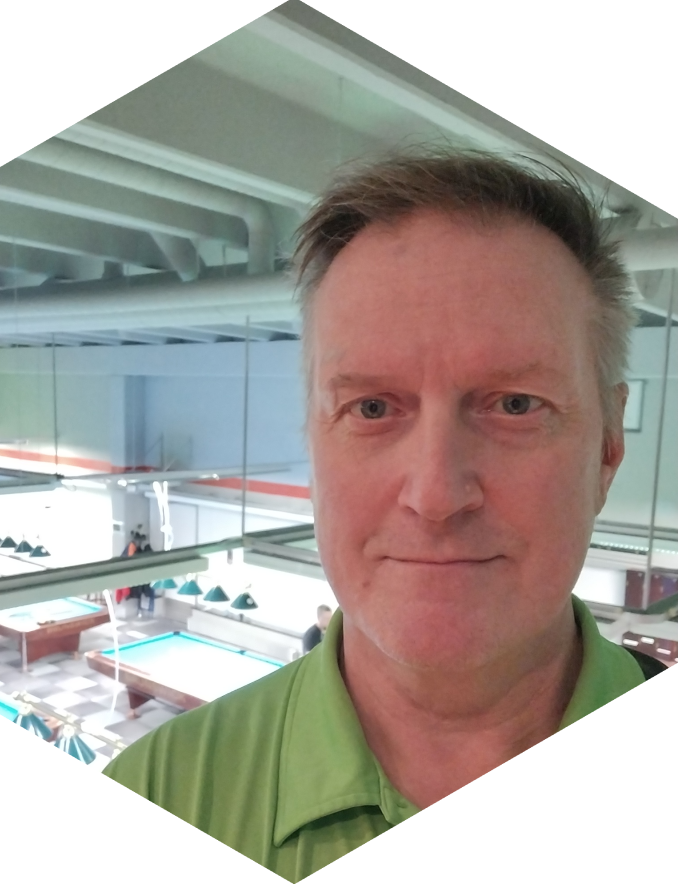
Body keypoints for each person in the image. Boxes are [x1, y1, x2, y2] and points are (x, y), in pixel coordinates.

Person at [104, 149, 666, 880]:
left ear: (608, 448)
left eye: (515, 404)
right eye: (371, 408)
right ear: (314, 443)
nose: (435, 495)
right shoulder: (162, 788)